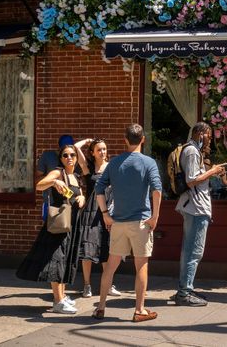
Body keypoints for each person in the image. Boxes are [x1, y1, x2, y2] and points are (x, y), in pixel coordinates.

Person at [92, 124, 162, 322]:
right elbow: (157, 190)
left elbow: (99, 189)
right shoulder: (149, 163)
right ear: (143, 139)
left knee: (110, 266)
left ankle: (101, 307)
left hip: (119, 223)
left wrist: (105, 213)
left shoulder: (114, 163)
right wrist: (155, 216)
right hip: (141, 222)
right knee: (141, 266)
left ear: (125, 139)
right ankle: (139, 310)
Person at [16, 144, 86, 314]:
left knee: (65, 260)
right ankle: (58, 300)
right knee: (57, 261)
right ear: (60, 159)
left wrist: (82, 197)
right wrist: (54, 182)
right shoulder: (58, 172)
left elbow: (79, 194)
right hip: (59, 224)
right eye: (65, 155)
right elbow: (39, 185)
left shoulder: (76, 176)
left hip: (72, 224)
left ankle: (61, 297)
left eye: (72, 155)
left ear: (76, 158)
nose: (69, 158)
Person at [175, 122, 226, 307]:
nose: (210, 140)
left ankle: (186, 288)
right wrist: (212, 171)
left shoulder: (193, 151)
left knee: (191, 251)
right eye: (209, 136)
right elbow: (191, 180)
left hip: (195, 207)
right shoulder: (191, 151)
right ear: (200, 134)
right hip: (195, 208)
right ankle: (184, 292)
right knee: (193, 251)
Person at [73, 138, 121, 298]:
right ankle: (87, 285)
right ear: (93, 153)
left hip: (108, 211)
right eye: (99, 149)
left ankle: (108, 285)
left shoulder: (112, 167)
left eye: (104, 149)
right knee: (87, 249)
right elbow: (75, 147)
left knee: (107, 249)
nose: (102, 152)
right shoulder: (89, 169)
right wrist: (87, 141)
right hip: (91, 213)